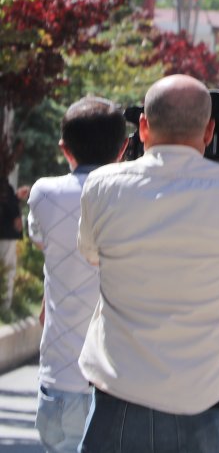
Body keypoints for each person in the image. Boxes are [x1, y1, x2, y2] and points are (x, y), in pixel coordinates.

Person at [76, 74, 219, 453]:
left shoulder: (101, 186)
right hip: (205, 410)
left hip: (118, 404)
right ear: (210, 130)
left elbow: (91, 253)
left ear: (142, 126)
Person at [25, 97, 126, 453]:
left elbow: (43, 242)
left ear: (64, 149)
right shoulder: (134, 197)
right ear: (124, 148)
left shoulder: (44, 194)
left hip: (60, 380)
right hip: (119, 387)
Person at [0, 177, 21, 310]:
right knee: (8, 268)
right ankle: (4, 305)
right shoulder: (4, 186)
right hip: (5, 233)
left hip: (6, 233)